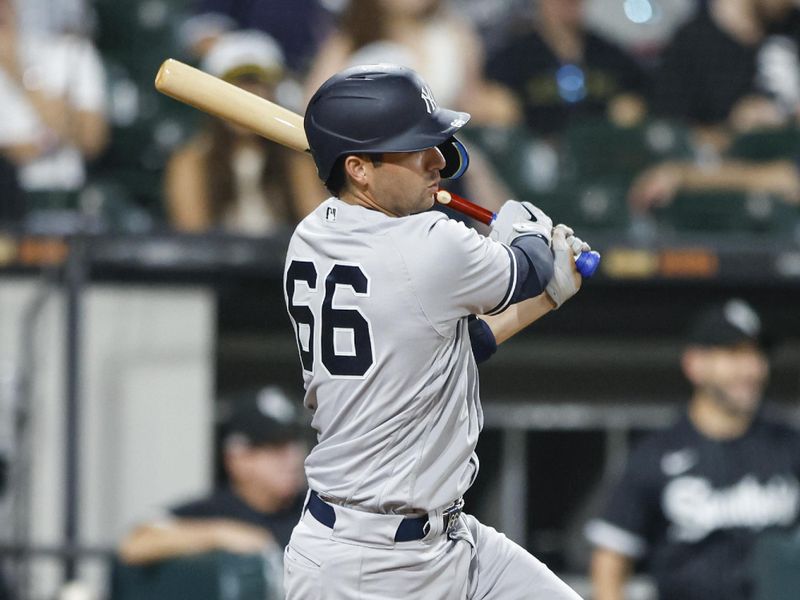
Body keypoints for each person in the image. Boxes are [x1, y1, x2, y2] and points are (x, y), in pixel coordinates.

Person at [282, 63, 591, 599]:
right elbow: (527, 266)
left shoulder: (310, 235)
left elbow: (459, 346)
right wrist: (528, 232)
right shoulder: (427, 244)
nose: (437, 162)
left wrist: (550, 296)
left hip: (445, 539)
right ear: (358, 168)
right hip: (368, 570)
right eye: (413, 147)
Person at [586, 298, 800, 600]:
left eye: (757, 355)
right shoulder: (658, 453)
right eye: (734, 354)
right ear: (695, 364)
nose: (751, 369)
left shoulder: (789, 445)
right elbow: (611, 557)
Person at [117, 386, 309, 565]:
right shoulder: (214, 509)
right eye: (276, 448)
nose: (292, 459)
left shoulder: (315, 509)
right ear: (238, 459)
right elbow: (134, 545)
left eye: (294, 445)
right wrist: (219, 535)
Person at [164, 30, 313, 233]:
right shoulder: (193, 161)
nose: (247, 98)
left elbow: (317, 226)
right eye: (235, 88)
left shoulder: (294, 161)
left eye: (256, 86)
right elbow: (193, 238)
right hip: (216, 262)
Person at [486, 0, 649, 137]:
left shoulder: (610, 55)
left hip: (603, 158)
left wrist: (634, 105)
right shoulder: (511, 59)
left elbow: (643, 93)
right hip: (537, 161)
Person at [0, 0, 108, 195]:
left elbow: (91, 139)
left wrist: (19, 73)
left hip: (70, 196)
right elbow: (16, 150)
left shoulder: (71, 52)